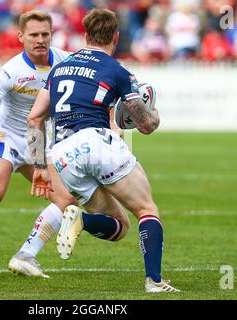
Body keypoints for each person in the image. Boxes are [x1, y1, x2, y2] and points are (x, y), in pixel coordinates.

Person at [0, 10, 130, 281]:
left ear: (52, 35)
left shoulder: (65, 61)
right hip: (7, 136)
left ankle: (26, 255)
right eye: (34, 35)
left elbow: (97, 90)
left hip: (39, 139)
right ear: (21, 37)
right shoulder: (11, 71)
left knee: (66, 201)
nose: (40, 40)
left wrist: (112, 122)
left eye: (45, 34)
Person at [27, 8, 180, 293]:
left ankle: (81, 219)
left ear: (85, 35)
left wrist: (38, 166)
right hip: (96, 141)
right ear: (116, 38)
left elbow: (34, 118)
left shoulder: (59, 69)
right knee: (146, 210)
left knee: (118, 226)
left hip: (62, 155)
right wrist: (154, 115)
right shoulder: (118, 71)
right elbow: (145, 125)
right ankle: (154, 282)